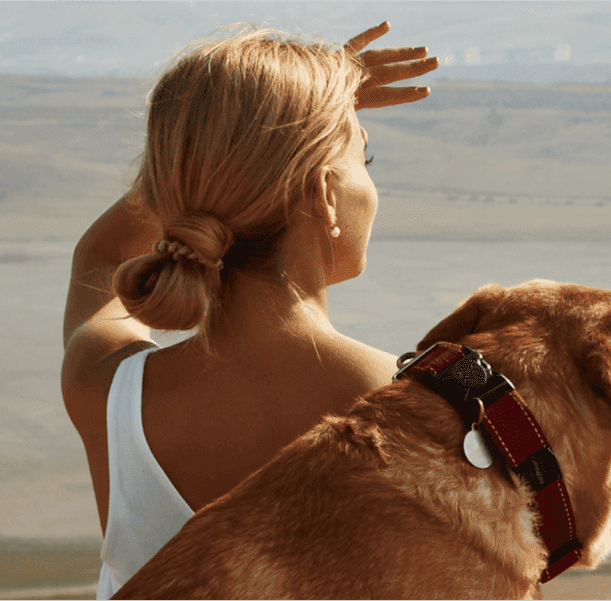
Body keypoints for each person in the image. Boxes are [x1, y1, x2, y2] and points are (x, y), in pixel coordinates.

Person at [58, 23, 436, 598]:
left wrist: (209, 146)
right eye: (366, 157)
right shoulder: (413, 409)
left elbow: (101, 255)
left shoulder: (105, 386)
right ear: (326, 194)